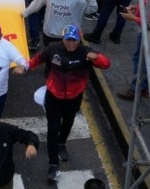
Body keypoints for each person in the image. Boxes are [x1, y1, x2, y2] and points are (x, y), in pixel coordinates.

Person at [27, 25, 111, 182]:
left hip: (74, 98)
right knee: (53, 128)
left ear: (79, 40)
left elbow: (106, 64)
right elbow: (38, 58)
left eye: (74, 40)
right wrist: (26, 66)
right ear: (63, 39)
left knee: (68, 122)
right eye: (68, 40)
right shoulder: (53, 48)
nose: (71, 43)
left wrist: (96, 58)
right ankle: (53, 163)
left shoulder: (86, 52)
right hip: (53, 97)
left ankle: (61, 143)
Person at [22, 0, 98, 52]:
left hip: (69, 36)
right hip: (50, 34)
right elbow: (36, 4)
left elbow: (92, 9)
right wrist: (23, 14)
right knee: (49, 55)